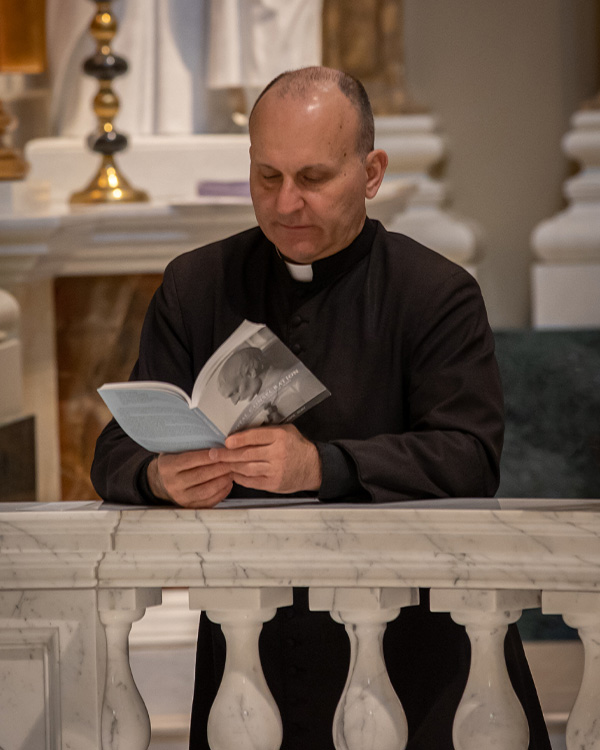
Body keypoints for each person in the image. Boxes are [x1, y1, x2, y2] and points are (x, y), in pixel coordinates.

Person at [91, 67, 551, 749]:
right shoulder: (196, 285)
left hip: (417, 651)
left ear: (371, 173)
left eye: (312, 178)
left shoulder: (435, 292)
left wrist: (321, 467)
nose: (286, 203)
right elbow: (115, 452)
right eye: (266, 176)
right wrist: (159, 477)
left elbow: (469, 456)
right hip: (253, 654)